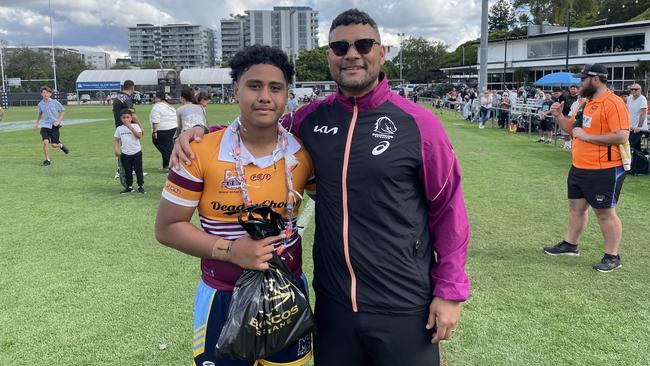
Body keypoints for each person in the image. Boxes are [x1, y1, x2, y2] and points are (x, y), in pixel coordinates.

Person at [172, 9, 470, 366]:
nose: (352, 54)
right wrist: (202, 132)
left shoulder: (419, 125)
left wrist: (450, 292)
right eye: (340, 47)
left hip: (405, 304)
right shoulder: (310, 119)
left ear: (382, 52)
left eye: (363, 44)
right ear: (330, 55)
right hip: (333, 304)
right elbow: (261, 126)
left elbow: (448, 208)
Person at [155, 45, 315, 366]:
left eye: (275, 87)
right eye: (254, 86)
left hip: (287, 292)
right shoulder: (199, 152)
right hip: (222, 294)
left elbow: (338, 201)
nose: (265, 96)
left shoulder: (303, 152)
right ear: (236, 90)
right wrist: (230, 251)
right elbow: (167, 228)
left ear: (287, 94)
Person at [544, 63, 630, 272]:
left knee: (605, 212)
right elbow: (572, 130)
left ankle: (612, 256)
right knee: (576, 208)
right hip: (579, 166)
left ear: (596, 79)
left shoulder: (614, 103)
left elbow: (622, 135)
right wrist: (558, 116)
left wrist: (589, 137)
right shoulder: (585, 103)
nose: (579, 83)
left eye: (583, 79)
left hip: (605, 168)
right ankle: (570, 245)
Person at [34, 86, 69, 166]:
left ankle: (60, 145)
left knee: (54, 145)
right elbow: (40, 113)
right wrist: (37, 123)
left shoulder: (55, 102)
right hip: (45, 126)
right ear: (41, 94)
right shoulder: (40, 104)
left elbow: (62, 111)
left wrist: (58, 121)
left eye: (47, 93)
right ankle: (47, 160)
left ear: (50, 94)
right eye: (43, 93)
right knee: (45, 142)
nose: (45, 94)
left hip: (54, 126)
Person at [112, 80, 141, 178]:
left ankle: (125, 169)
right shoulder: (127, 99)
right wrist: (140, 126)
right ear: (132, 88)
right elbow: (132, 115)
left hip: (119, 126)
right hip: (128, 127)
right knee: (129, 149)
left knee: (124, 147)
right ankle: (122, 170)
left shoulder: (117, 97)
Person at [113, 109, 145, 194]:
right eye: (124, 117)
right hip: (125, 153)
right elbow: (116, 140)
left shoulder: (135, 126)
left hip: (136, 152)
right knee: (127, 171)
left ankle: (140, 186)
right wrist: (116, 150)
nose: (126, 119)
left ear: (131, 118)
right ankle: (129, 187)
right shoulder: (119, 129)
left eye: (128, 117)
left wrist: (130, 127)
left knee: (138, 170)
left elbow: (138, 136)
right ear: (121, 119)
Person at [149, 91, 177, 170]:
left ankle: (172, 164)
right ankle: (166, 165)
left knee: (163, 146)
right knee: (168, 146)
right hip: (173, 128)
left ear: (158, 98)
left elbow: (155, 120)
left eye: (155, 97)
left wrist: (155, 132)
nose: (154, 99)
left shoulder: (157, 106)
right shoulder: (169, 106)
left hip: (163, 129)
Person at [626, 83, 647, 151]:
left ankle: (638, 160)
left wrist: (639, 127)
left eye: (636, 89)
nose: (633, 90)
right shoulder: (629, 98)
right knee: (636, 148)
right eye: (632, 89)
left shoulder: (642, 99)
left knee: (630, 145)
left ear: (640, 90)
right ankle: (639, 160)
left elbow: (643, 113)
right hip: (631, 128)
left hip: (639, 129)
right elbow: (627, 112)